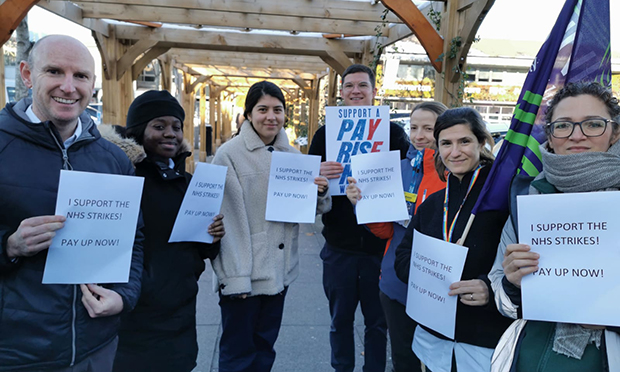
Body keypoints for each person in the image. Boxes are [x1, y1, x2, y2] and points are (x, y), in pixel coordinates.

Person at [0, 35, 143, 371]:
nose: (68, 86)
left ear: (93, 84)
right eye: (54, 71)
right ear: (26, 74)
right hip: (17, 353)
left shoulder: (113, 159)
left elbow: (134, 241)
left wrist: (124, 296)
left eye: (80, 76)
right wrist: (8, 246)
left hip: (96, 346)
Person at [489, 82, 620, 372]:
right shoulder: (529, 195)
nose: (577, 135)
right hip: (527, 356)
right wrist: (512, 285)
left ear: (615, 133)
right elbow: (501, 291)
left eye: (593, 124)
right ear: (550, 134)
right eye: (563, 126)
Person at [99, 90, 224, 372]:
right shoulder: (120, 179)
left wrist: (214, 235)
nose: (170, 133)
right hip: (134, 314)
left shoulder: (189, 182)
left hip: (180, 311)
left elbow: (203, 250)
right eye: (159, 126)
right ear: (138, 131)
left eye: (176, 127)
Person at [211, 80, 331, 372]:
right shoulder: (229, 155)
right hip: (245, 275)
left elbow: (310, 211)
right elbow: (224, 221)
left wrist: (319, 192)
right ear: (248, 114)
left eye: (278, 109)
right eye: (262, 109)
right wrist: (235, 277)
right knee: (237, 354)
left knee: (264, 350)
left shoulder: (292, 156)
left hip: (278, 273)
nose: (271, 116)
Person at [394, 107, 513, 372]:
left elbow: (523, 267)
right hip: (433, 340)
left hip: (484, 342)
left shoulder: (503, 201)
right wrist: (427, 272)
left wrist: (490, 289)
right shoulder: (433, 205)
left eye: (465, 142)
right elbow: (402, 259)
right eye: (446, 143)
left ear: (481, 142)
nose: (455, 152)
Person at [309, 63, 410, 372]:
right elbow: (307, 194)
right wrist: (318, 178)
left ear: (373, 92)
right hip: (339, 247)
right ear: (341, 93)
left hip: (380, 250)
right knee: (339, 321)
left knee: (378, 324)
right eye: (349, 86)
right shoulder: (325, 134)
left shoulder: (393, 132)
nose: (356, 91)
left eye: (362, 86)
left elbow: (410, 180)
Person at [346, 101, 447, 372]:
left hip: (437, 287)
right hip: (395, 283)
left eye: (428, 128)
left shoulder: (453, 173)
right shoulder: (397, 169)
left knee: (435, 362)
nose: (419, 135)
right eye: (414, 128)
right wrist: (364, 206)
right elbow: (387, 231)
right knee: (403, 359)